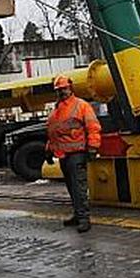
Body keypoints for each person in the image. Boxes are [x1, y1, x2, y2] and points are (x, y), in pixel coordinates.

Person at [45, 74, 102, 233]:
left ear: (70, 88)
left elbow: (93, 127)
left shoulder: (81, 105)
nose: (61, 92)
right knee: (72, 187)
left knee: (78, 187)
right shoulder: (57, 109)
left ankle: (84, 218)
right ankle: (78, 215)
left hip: (77, 153)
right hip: (63, 154)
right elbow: (54, 132)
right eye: (59, 90)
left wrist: (93, 147)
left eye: (64, 89)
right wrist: (49, 150)